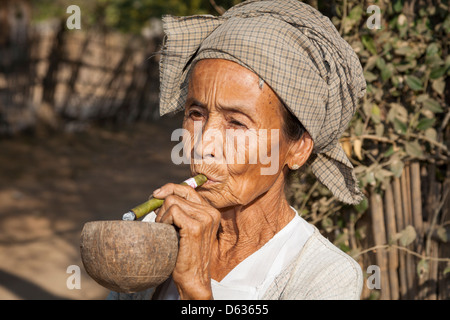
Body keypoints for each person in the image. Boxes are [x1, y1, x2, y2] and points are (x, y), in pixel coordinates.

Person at [108, 0, 366, 300]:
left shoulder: (324, 275)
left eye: (237, 123)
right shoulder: (157, 231)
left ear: (297, 149)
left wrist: (194, 288)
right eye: (196, 114)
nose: (203, 146)